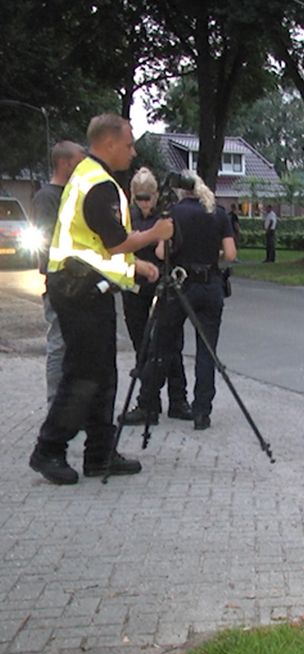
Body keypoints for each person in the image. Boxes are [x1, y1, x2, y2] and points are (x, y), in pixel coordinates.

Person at [29, 113, 174, 485]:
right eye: (128, 144)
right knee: (84, 374)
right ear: (109, 143)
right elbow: (115, 243)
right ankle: (49, 449)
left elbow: (94, 247)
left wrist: (136, 268)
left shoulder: (91, 178)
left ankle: (99, 453)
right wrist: (155, 233)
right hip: (79, 292)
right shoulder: (98, 185)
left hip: (84, 288)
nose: (133, 151)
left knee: (102, 374)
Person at [141, 171, 236, 431]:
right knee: (207, 350)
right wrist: (211, 254)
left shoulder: (174, 214)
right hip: (211, 286)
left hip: (181, 285)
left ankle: (148, 402)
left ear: (181, 191)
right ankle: (202, 411)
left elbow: (161, 252)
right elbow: (230, 254)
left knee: (164, 343)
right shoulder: (218, 213)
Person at [119, 168, 191, 426]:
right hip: (135, 286)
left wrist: (158, 237)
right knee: (142, 345)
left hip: (163, 285)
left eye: (148, 198)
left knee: (170, 344)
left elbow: (168, 250)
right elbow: (121, 248)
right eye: (139, 198)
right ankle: (150, 402)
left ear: (156, 195)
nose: (144, 203)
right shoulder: (127, 217)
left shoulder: (165, 217)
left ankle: (177, 399)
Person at [32, 141, 86, 405]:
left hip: (79, 283)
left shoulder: (74, 194)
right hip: (61, 283)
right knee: (59, 344)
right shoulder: (47, 197)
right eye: (79, 161)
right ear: (65, 163)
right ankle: (55, 403)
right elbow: (49, 242)